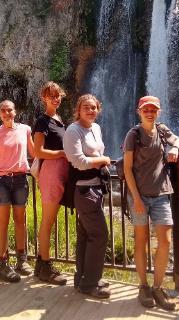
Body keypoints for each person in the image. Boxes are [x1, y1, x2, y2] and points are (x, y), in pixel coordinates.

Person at [123, 95, 179, 311]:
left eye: (153, 109)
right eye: (146, 109)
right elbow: (127, 168)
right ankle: (143, 285)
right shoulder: (133, 135)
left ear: (158, 111)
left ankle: (158, 287)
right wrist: (136, 199)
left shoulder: (162, 129)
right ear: (139, 111)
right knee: (141, 241)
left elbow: (176, 139)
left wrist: (174, 148)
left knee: (165, 241)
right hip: (139, 197)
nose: (150, 112)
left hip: (161, 195)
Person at [63, 94, 112, 299]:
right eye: (86, 107)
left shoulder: (96, 128)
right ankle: (90, 283)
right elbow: (78, 162)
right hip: (84, 190)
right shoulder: (73, 130)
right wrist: (104, 159)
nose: (90, 111)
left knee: (86, 234)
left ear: (98, 109)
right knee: (100, 234)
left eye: (93, 107)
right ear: (78, 109)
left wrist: (100, 162)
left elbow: (90, 156)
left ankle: (83, 278)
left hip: (96, 188)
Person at [0, 100, 35, 282]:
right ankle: (3, 264)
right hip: (2, 181)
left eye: (10, 110)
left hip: (21, 179)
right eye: (3, 111)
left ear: (16, 112)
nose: (7, 113)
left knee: (20, 221)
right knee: (2, 224)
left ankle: (21, 260)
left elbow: (34, 152)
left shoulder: (25, 129)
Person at [32, 82, 68, 285]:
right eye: (51, 96)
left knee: (50, 221)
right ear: (44, 98)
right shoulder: (42, 121)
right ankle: (45, 266)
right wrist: (62, 154)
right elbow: (38, 151)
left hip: (60, 172)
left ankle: (40, 264)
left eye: (58, 95)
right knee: (47, 221)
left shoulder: (58, 120)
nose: (55, 99)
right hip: (51, 173)